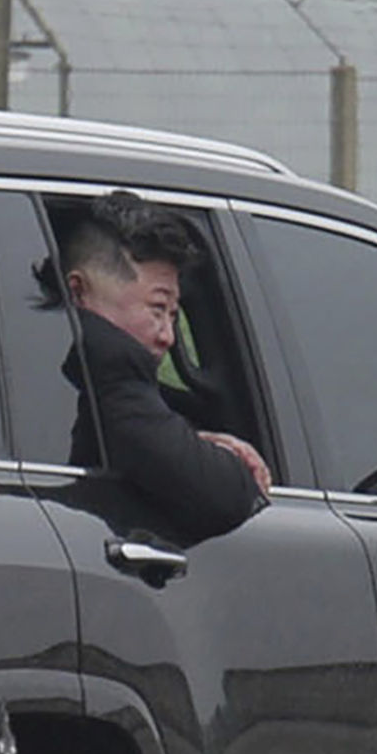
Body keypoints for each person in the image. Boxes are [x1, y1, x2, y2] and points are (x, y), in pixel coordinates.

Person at [52, 192, 269, 539]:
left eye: (173, 314)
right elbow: (219, 496)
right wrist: (235, 467)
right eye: (157, 308)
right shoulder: (111, 368)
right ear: (79, 293)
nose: (168, 336)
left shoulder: (55, 369)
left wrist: (189, 443)